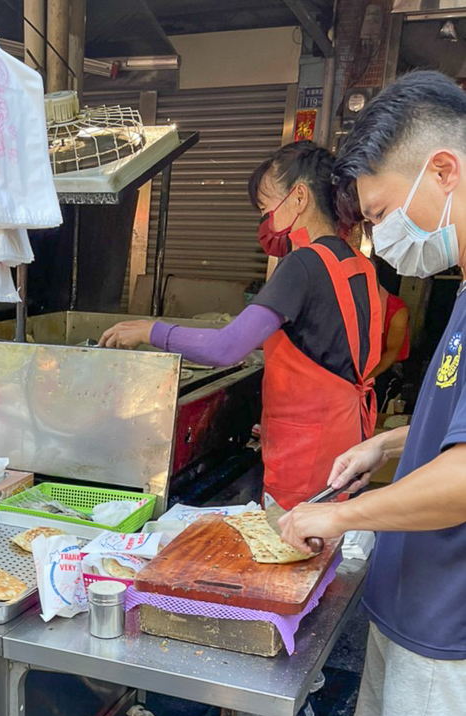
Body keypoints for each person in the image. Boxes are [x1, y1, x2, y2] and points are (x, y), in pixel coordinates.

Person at [278, 71, 466, 716]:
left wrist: (342, 511)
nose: (384, 238)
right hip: (418, 588)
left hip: (449, 610)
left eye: (385, 214)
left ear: (445, 172)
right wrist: (394, 440)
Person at [99, 141, 383, 512]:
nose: (267, 223)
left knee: (294, 553)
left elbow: (226, 348)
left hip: (307, 457)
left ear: (299, 198)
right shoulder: (358, 264)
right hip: (345, 440)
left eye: (267, 209)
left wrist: (151, 331)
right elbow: (329, 351)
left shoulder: (303, 265)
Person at [371, 268, 411, 406]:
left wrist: (367, 377)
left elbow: (392, 351)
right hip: (354, 363)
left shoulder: (397, 310)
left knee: (378, 390)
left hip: (385, 365)